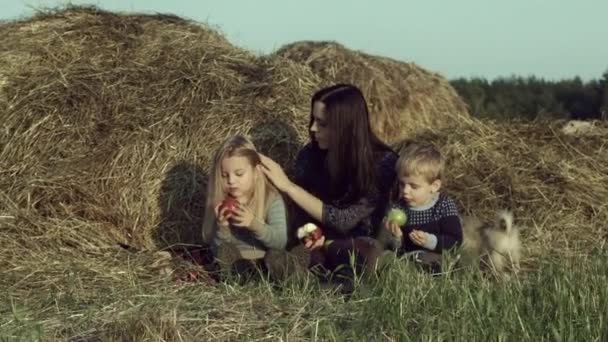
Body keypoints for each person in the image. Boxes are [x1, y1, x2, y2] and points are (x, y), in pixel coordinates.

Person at [259, 83, 398, 285]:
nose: (313, 128)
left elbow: (344, 220)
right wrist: (308, 233)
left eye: (322, 124)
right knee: (298, 255)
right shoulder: (309, 156)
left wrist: (288, 186)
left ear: (345, 128)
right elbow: (301, 214)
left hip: (361, 245)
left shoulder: (382, 163)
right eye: (313, 119)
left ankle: (327, 279)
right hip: (320, 242)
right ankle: (314, 277)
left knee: (366, 254)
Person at [201, 135, 289, 278]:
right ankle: (244, 277)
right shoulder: (221, 203)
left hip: (266, 262)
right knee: (224, 256)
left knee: (277, 257)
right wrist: (222, 226)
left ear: (256, 172)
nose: (231, 181)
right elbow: (217, 252)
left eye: (239, 174)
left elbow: (280, 242)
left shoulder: (271, 199)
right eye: (224, 175)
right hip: (237, 264)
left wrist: (254, 224)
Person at [379, 141, 463, 273]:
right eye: (402, 184)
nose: (405, 191)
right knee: (383, 258)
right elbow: (398, 250)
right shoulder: (398, 207)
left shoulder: (444, 205)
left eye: (414, 186)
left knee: (442, 261)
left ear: (434, 186)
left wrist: (430, 241)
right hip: (407, 260)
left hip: (435, 256)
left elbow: (455, 240)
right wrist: (395, 237)